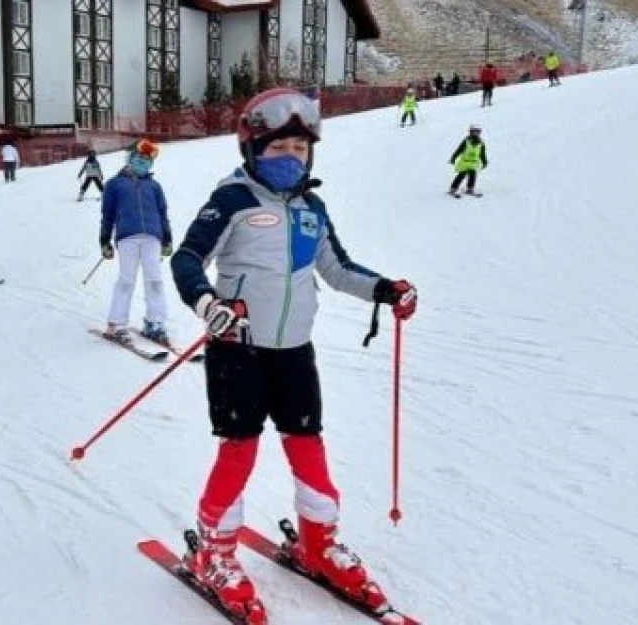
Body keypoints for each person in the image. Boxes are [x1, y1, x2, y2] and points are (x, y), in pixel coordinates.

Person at [169, 87, 418, 621]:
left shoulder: (312, 208)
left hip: (293, 352)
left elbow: (337, 269)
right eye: (280, 149)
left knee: (308, 445)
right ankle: (214, 550)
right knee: (239, 448)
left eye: (301, 151)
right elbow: (188, 257)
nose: (292, 159)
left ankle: (318, 543)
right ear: (254, 149)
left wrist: (386, 290)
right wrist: (206, 302)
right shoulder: (232, 199)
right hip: (237, 346)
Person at [98, 138, 172, 343]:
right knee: (126, 280)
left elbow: (162, 213)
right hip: (127, 237)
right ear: (129, 159)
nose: (144, 163)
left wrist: (167, 238)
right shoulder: (114, 184)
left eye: (147, 160)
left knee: (155, 280)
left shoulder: (155, 186)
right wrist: (104, 241)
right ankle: (117, 324)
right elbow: (108, 214)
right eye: (139, 158)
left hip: (152, 237)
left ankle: (155, 322)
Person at [448, 124, 488, 197]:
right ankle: (453, 189)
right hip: (464, 162)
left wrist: (484, 161)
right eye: (474, 132)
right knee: (461, 175)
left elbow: (482, 154)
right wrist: (453, 158)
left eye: (477, 132)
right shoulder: (466, 141)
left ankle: (470, 189)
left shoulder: (481, 143)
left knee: (473, 174)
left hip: (474, 163)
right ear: (470, 132)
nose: (475, 134)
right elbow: (459, 150)